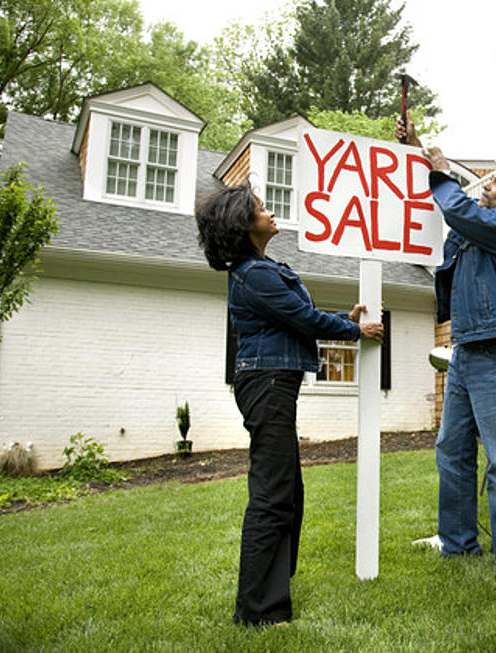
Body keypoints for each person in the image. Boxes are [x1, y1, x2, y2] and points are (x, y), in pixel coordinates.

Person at [195, 185, 384, 626]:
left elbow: (296, 316)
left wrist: (345, 320)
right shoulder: (253, 274)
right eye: (261, 209)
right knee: (272, 497)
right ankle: (259, 612)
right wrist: (355, 332)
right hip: (267, 385)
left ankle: (272, 590)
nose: (269, 211)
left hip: (272, 383)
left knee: (287, 493)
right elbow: (303, 319)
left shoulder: (259, 269)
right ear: (244, 226)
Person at [396, 116, 496, 581]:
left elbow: (459, 209)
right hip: (464, 352)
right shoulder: (479, 222)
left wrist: (441, 171)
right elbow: (455, 206)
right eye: (488, 178)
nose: (488, 185)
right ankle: (458, 546)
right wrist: (417, 145)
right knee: (451, 450)